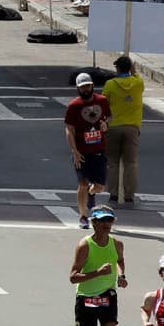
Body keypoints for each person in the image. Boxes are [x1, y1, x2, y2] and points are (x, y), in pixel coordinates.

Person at [66, 73, 113, 228]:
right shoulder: (74, 106)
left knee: (99, 186)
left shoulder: (102, 101)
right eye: (82, 86)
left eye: (88, 85)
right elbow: (69, 130)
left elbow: (108, 118)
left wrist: (105, 124)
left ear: (92, 86)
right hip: (82, 152)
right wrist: (74, 151)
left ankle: (91, 194)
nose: (86, 89)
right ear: (78, 88)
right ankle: (83, 216)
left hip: (99, 151)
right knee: (83, 184)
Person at [101, 56, 144, 204]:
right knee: (130, 162)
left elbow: (103, 102)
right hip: (132, 127)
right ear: (130, 68)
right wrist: (134, 71)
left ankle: (113, 193)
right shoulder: (138, 83)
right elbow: (136, 75)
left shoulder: (110, 84)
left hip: (113, 126)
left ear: (117, 68)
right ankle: (129, 194)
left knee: (112, 162)